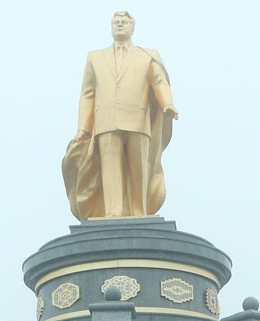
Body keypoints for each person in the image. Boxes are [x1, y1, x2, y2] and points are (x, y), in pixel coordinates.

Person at [62, 10, 178, 220]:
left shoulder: (147, 56)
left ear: (133, 28)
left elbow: (159, 82)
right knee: (110, 168)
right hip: (106, 121)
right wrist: (83, 129)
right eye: (116, 22)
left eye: (124, 22)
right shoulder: (95, 57)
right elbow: (87, 95)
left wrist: (167, 104)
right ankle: (113, 212)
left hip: (138, 119)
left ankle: (138, 212)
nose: (120, 25)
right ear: (111, 27)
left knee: (138, 168)